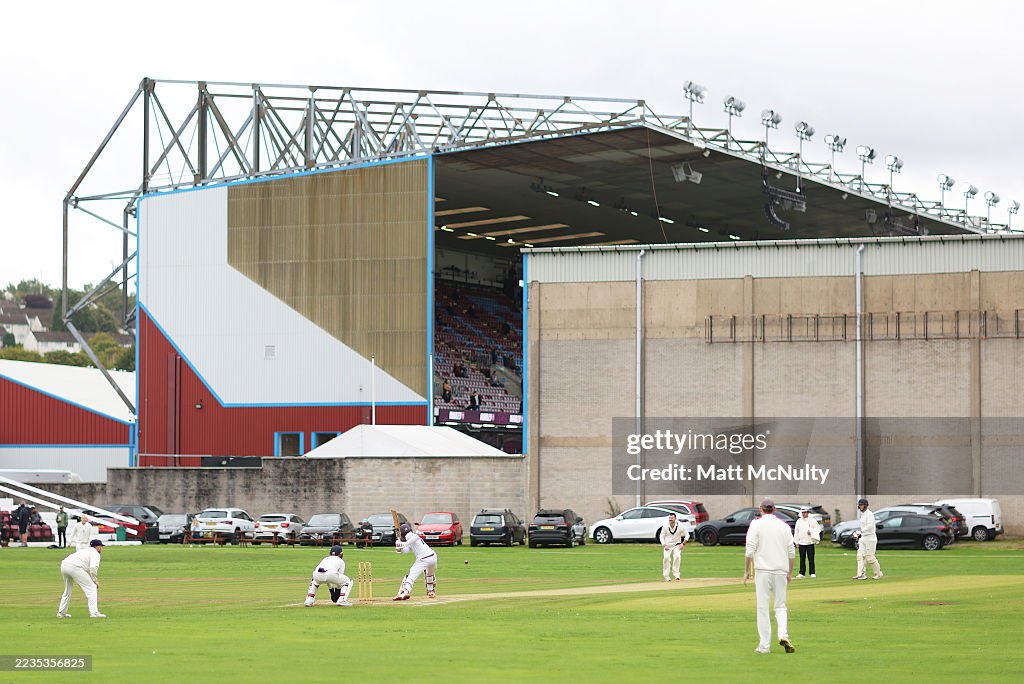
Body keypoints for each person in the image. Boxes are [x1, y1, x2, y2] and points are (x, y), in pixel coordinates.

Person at [743, 498, 796, 654]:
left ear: (761, 509)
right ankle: (783, 634)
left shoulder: (756, 524)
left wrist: (746, 571)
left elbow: (749, 550)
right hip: (780, 570)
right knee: (780, 606)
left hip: (763, 571)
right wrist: (790, 572)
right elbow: (791, 552)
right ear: (774, 509)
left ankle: (764, 646)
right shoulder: (784, 526)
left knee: (763, 608)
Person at [57, 539, 106, 618]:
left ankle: (61, 613)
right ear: (96, 547)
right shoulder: (95, 553)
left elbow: (87, 569)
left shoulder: (85, 551)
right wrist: (95, 581)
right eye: (100, 547)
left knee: (68, 590)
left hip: (64, 565)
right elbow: (93, 567)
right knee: (91, 588)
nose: (101, 549)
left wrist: (93, 579)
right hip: (75, 567)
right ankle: (94, 613)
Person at [393, 522, 437, 601]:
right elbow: (405, 551)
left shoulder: (410, 536)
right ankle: (431, 591)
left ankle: (405, 591)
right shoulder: (410, 539)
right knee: (429, 574)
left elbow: (415, 537)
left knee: (411, 574)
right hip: (433, 557)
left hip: (424, 558)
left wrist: (404, 543)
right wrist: (399, 546)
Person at [852, 498, 883, 580]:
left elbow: (869, 526)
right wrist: (859, 533)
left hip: (870, 538)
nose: (860, 506)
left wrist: (860, 531)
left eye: (861, 505)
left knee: (869, 557)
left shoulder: (870, 514)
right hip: (863, 538)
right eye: (859, 505)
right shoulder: (863, 515)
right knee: (860, 556)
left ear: (865, 505)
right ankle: (861, 574)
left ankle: (878, 574)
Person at [793, 507, 821, 578]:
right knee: (802, 558)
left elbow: (818, 528)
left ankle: (812, 572)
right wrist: (796, 542)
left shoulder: (812, 520)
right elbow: (796, 532)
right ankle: (802, 573)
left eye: (805, 512)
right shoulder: (799, 521)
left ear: (807, 513)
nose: (803, 514)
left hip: (810, 542)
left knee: (811, 558)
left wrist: (812, 531)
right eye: (802, 512)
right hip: (801, 542)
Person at [659, 513, 687, 581]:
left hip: (677, 544)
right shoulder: (665, 526)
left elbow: (687, 535)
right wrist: (664, 544)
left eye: (672, 518)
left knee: (677, 557)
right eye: (669, 518)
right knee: (666, 558)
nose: (670, 519)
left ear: (675, 518)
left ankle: (676, 574)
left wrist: (683, 544)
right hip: (667, 545)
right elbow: (661, 536)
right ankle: (666, 576)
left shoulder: (680, 525)